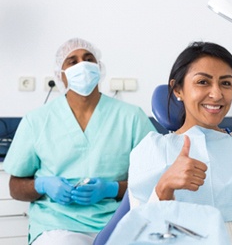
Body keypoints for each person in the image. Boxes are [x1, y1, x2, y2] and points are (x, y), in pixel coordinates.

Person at [124, 41, 232, 245]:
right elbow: (141, 235)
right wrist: (164, 187)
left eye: (226, 83)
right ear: (178, 90)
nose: (217, 94)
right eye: (203, 82)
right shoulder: (150, 151)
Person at [3, 37, 156, 245]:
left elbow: (153, 181)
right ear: (61, 74)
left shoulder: (131, 118)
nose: (82, 65)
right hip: (57, 226)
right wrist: (42, 185)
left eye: (88, 59)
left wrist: (111, 188)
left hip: (119, 223)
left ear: (99, 67)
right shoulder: (37, 121)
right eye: (72, 61)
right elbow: (15, 187)